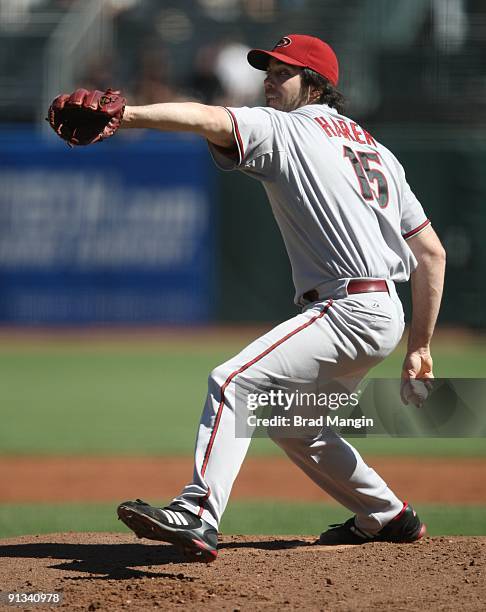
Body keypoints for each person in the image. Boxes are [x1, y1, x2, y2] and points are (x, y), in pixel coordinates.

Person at [117, 34, 446, 562]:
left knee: (233, 380)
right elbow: (430, 254)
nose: (269, 80)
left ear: (315, 84)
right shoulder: (376, 149)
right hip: (383, 311)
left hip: (347, 308)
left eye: (283, 72)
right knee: (293, 421)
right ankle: (388, 516)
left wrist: (124, 114)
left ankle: (198, 512)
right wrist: (420, 346)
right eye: (267, 70)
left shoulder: (288, 128)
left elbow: (207, 118)